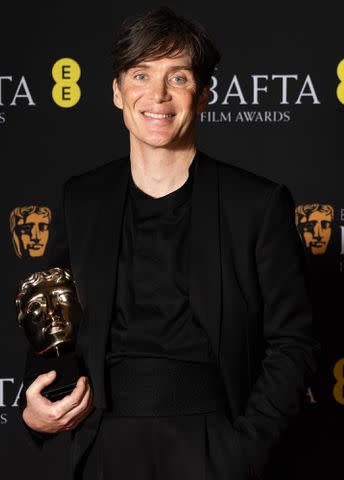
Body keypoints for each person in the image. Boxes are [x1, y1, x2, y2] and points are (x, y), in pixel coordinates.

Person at [19, 7, 321, 480]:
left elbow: (293, 342)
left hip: (212, 445)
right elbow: (54, 323)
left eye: (177, 77)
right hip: (105, 445)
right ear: (117, 92)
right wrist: (35, 409)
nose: (157, 95)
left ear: (202, 95)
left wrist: (242, 452)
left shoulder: (256, 204)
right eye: (141, 74)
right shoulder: (82, 199)